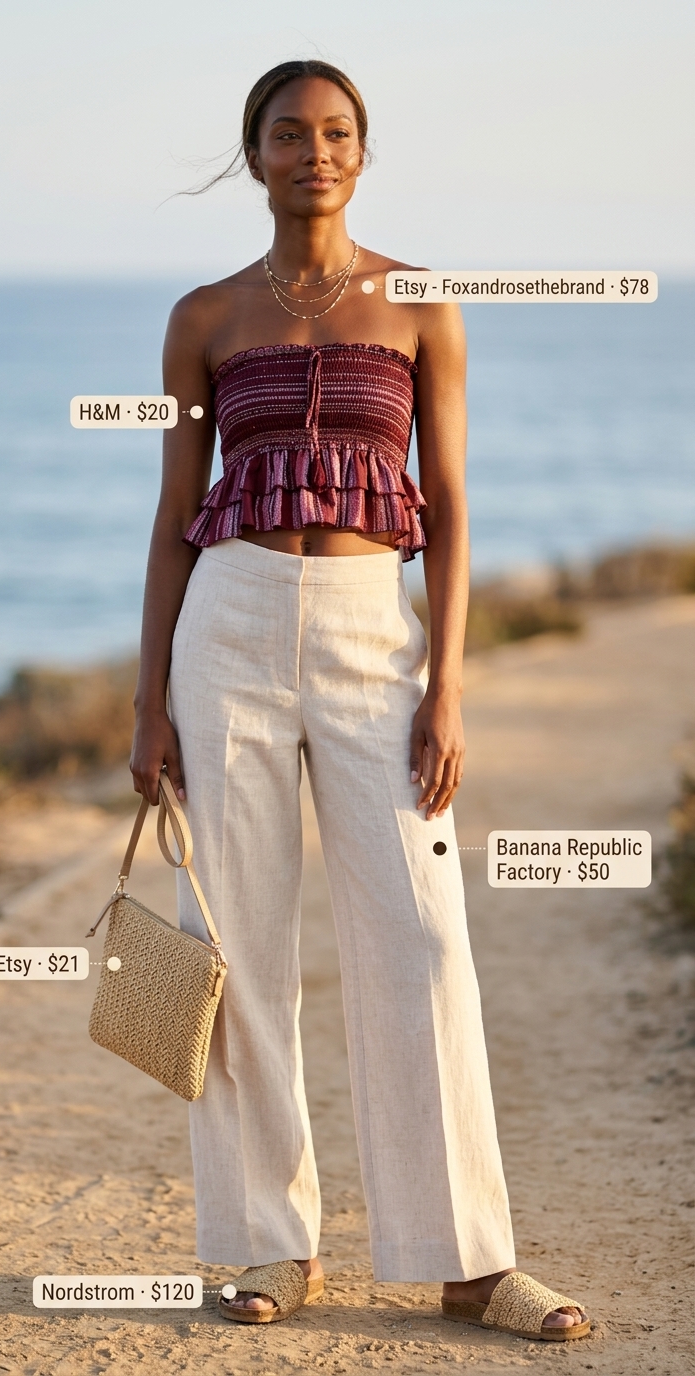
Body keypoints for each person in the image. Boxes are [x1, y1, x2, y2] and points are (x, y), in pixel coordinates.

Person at [130, 59, 590, 1342]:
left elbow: (445, 511)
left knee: (426, 937)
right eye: (289, 133)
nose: (313, 151)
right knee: (233, 945)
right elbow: (174, 520)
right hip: (221, 630)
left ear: (362, 153)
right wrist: (144, 699)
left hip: (369, 636)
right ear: (256, 153)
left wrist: (449, 685)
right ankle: (266, 1244)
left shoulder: (423, 304)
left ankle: (468, 1259)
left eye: (335, 133)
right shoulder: (204, 315)